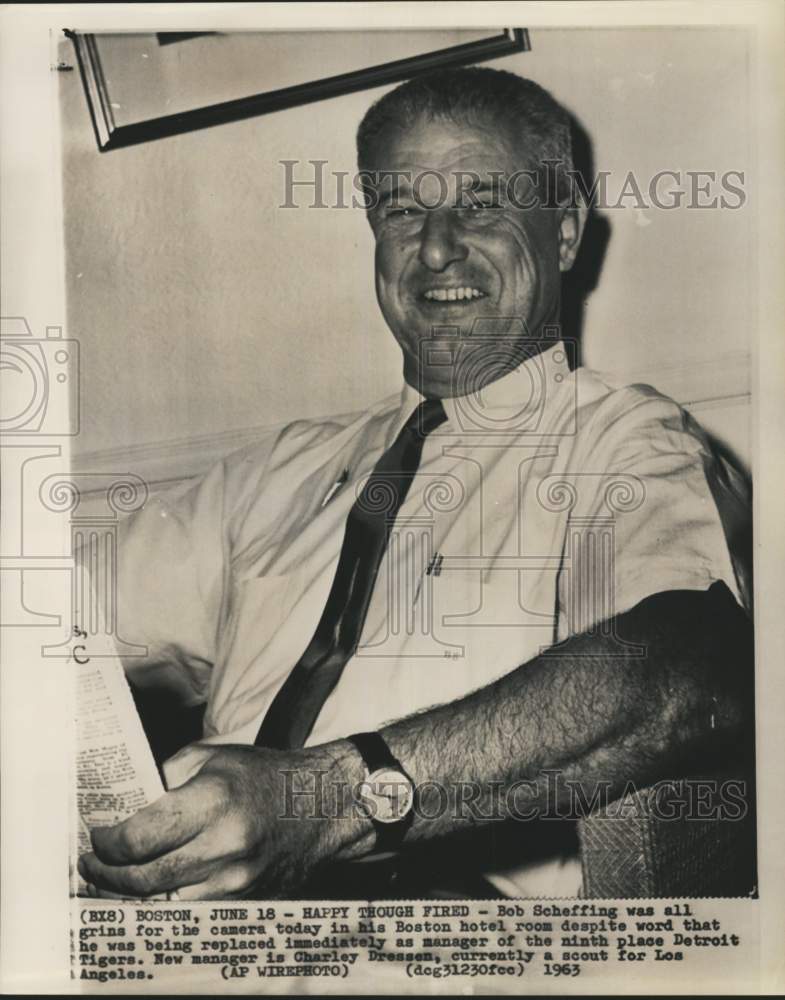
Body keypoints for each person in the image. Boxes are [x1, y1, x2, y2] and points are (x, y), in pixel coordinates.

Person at [77, 67, 753, 901]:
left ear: (566, 233)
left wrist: (330, 798)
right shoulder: (273, 473)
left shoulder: (623, 441)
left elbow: (687, 668)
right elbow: (50, 623)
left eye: (479, 202)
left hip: (448, 944)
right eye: (401, 209)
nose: (435, 247)